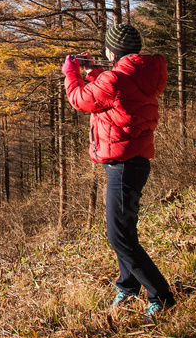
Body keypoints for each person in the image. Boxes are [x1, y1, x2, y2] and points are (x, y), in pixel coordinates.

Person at [62, 23, 175, 319]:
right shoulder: (139, 73)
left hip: (123, 164)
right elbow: (115, 91)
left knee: (118, 236)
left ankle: (161, 296)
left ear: (113, 51)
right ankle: (127, 286)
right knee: (125, 230)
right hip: (134, 161)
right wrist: (93, 72)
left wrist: (72, 73)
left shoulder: (114, 78)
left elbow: (81, 99)